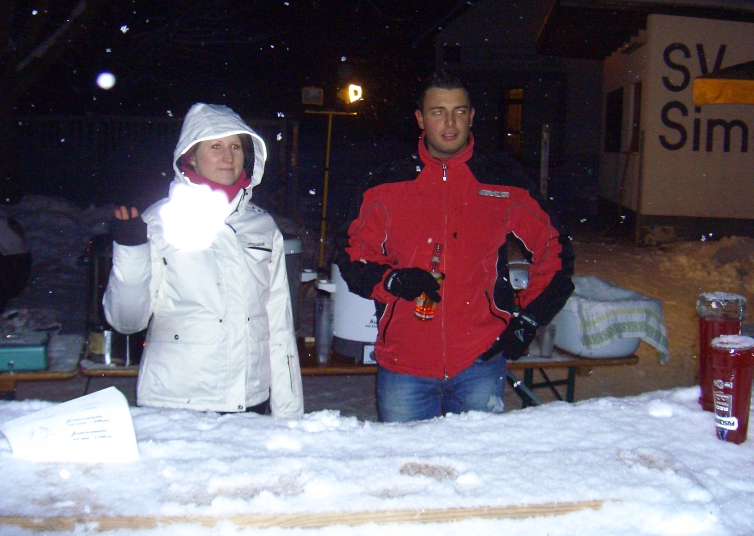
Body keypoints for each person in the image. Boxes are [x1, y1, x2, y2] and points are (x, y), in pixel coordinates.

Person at [335, 69, 574, 422]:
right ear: (420, 119)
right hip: (404, 365)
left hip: (480, 362)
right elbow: (351, 254)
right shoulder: (387, 182)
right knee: (406, 458)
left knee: (475, 459)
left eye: (459, 111)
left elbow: (555, 249)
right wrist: (392, 281)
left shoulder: (502, 179)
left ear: (471, 116)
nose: (450, 123)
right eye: (438, 112)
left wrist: (529, 319)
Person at [103, 103, 303, 418]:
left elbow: (279, 327)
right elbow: (127, 321)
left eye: (236, 146)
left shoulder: (262, 226)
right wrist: (131, 251)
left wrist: (288, 414)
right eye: (216, 146)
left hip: (250, 401)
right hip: (178, 403)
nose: (228, 156)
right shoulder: (159, 221)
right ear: (191, 157)